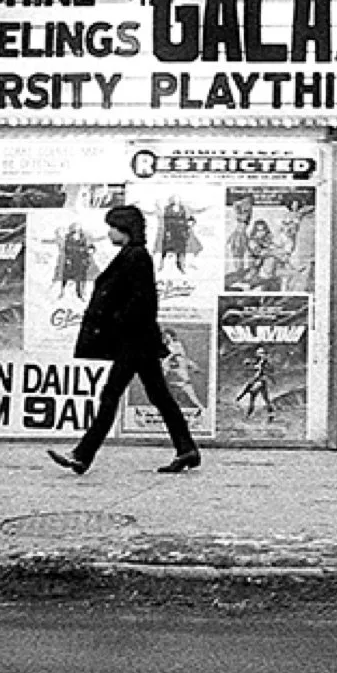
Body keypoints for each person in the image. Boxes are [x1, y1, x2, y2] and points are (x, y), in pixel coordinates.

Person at [49, 203, 202, 475]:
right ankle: (186, 448)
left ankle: (82, 455)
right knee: (159, 395)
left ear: (125, 229)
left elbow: (143, 301)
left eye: (113, 227)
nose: (109, 233)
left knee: (112, 395)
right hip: (137, 340)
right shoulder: (132, 255)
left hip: (134, 341)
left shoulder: (136, 257)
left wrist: (117, 324)